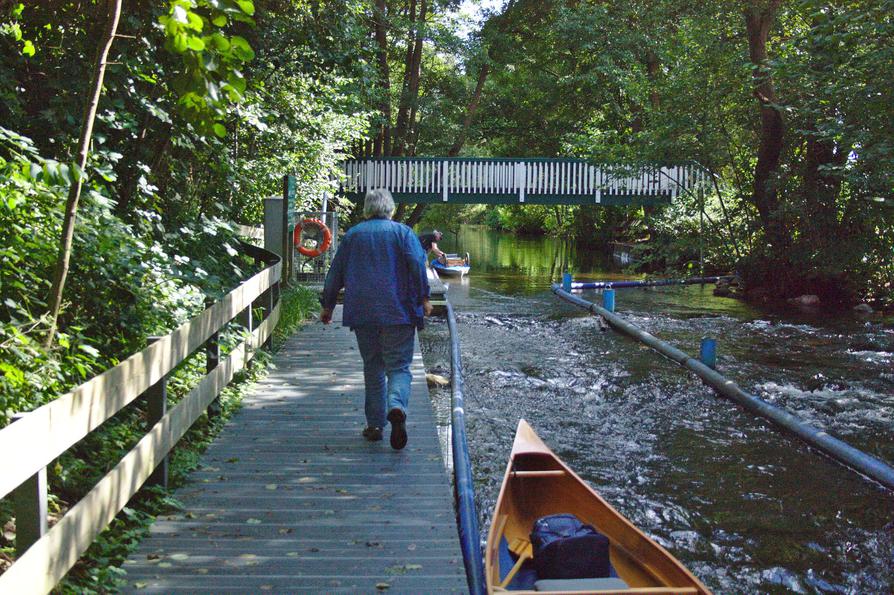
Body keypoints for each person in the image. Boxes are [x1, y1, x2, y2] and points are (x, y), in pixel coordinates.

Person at [320, 189, 432, 450]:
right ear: (390, 209)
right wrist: (424, 298)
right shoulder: (403, 233)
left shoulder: (353, 236)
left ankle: (374, 426)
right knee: (400, 367)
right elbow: (417, 264)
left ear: (367, 210)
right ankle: (396, 405)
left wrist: (328, 305)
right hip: (399, 312)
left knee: (373, 367)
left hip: (364, 313)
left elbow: (335, 272)